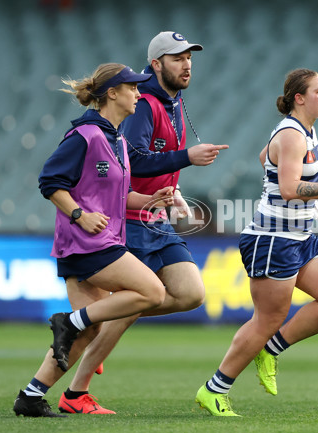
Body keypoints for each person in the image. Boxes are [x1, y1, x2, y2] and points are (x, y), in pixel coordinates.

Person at [55, 31, 229, 415]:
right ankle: (75, 391)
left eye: (189, 58)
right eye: (177, 58)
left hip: (156, 215)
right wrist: (186, 158)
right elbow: (132, 163)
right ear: (156, 64)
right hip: (130, 217)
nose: (186, 64)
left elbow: (157, 160)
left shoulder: (173, 101)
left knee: (189, 293)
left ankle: (96, 324)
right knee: (134, 302)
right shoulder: (144, 104)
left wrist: (174, 189)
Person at [194, 68, 318, 416]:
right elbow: (290, 190)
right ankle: (214, 390)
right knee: (266, 319)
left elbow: (266, 159)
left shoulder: (304, 129)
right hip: (273, 239)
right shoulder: (292, 135)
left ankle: (270, 350)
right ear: (299, 98)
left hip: (300, 235)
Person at [13, 63, 173, 417]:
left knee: (88, 330)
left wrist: (151, 200)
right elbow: (51, 181)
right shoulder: (86, 135)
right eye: (132, 88)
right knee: (152, 292)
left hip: (97, 242)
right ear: (112, 93)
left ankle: (31, 396)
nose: (138, 93)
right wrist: (79, 215)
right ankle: (68, 322)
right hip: (86, 243)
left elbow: (116, 195)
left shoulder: (115, 138)